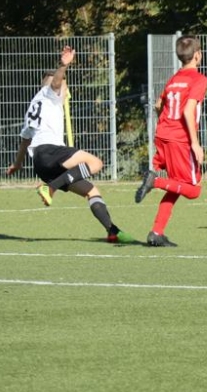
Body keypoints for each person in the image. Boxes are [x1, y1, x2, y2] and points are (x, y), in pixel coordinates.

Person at [7, 45, 135, 244]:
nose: (65, 90)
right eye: (64, 87)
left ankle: (112, 231)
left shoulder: (34, 104)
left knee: (91, 191)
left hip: (40, 163)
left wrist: (17, 164)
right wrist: (63, 66)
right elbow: (56, 82)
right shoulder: (50, 93)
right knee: (96, 163)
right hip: (51, 152)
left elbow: (25, 140)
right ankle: (50, 188)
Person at [134, 35, 207, 247]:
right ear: (197, 55)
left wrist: (165, 125)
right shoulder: (199, 79)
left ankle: (156, 233)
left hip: (163, 134)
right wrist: (195, 143)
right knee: (193, 190)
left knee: (175, 186)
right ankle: (154, 181)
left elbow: (158, 104)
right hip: (180, 140)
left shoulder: (174, 78)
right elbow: (188, 110)